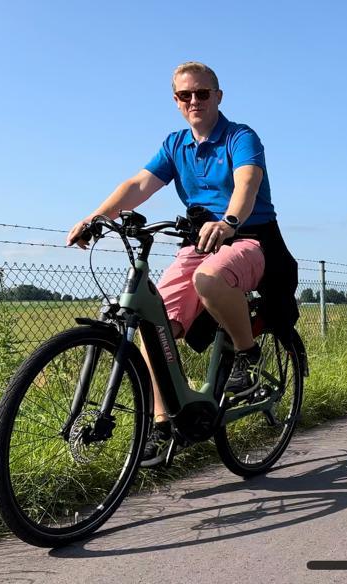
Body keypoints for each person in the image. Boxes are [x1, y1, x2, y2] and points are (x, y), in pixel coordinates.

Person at [66, 61, 297, 466]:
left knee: (210, 278)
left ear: (218, 96)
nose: (194, 101)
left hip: (249, 238)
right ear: (175, 102)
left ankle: (246, 356)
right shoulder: (175, 145)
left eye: (202, 93)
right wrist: (97, 217)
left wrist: (228, 221)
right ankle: (161, 424)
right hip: (198, 241)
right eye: (184, 95)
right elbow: (138, 185)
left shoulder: (240, 137)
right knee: (154, 324)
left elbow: (247, 185)